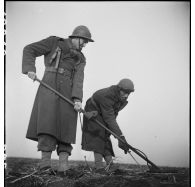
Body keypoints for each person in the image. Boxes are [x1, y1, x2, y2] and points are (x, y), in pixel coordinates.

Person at [22, 25, 94, 173]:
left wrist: (77, 99)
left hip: (69, 93)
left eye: (87, 42)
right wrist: (30, 69)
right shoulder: (54, 42)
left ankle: (63, 167)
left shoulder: (81, 59)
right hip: (49, 86)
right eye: (84, 41)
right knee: (47, 125)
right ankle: (45, 165)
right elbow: (29, 49)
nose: (85, 45)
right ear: (76, 37)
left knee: (66, 128)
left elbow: (79, 80)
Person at [81, 78, 134, 171]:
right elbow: (110, 118)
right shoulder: (107, 96)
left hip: (104, 113)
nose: (126, 95)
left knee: (106, 136)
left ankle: (110, 165)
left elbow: (113, 116)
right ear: (119, 89)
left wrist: (118, 136)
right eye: (124, 92)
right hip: (93, 111)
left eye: (128, 93)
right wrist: (120, 137)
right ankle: (99, 167)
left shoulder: (120, 99)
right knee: (98, 137)